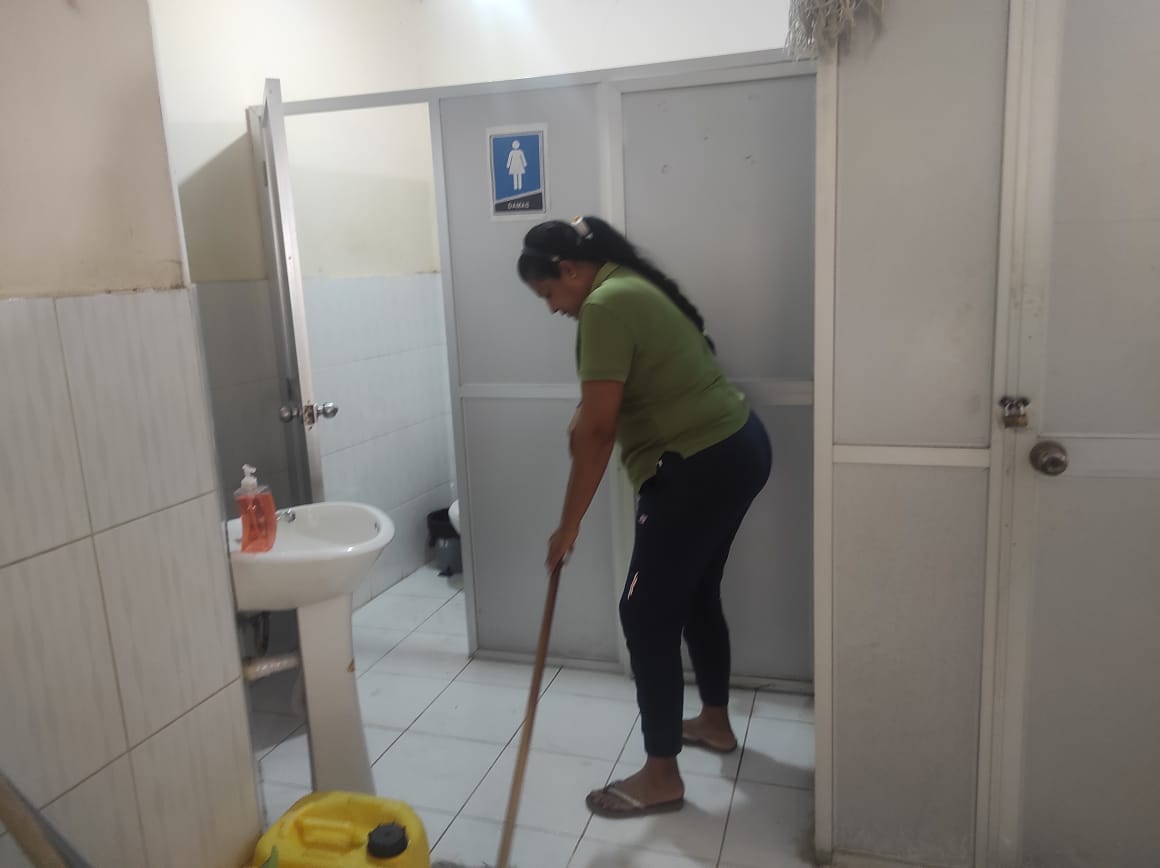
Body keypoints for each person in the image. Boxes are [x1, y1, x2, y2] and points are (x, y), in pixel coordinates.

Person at [517, 216, 772, 818]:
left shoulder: (603, 306)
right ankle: (714, 722)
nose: (552, 308)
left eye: (549, 293)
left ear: (569, 271)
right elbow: (613, 398)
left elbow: (599, 431)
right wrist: (587, 416)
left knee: (645, 614)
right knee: (695, 591)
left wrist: (568, 525)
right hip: (736, 448)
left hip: (697, 465)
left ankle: (661, 777)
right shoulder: (628, 285)